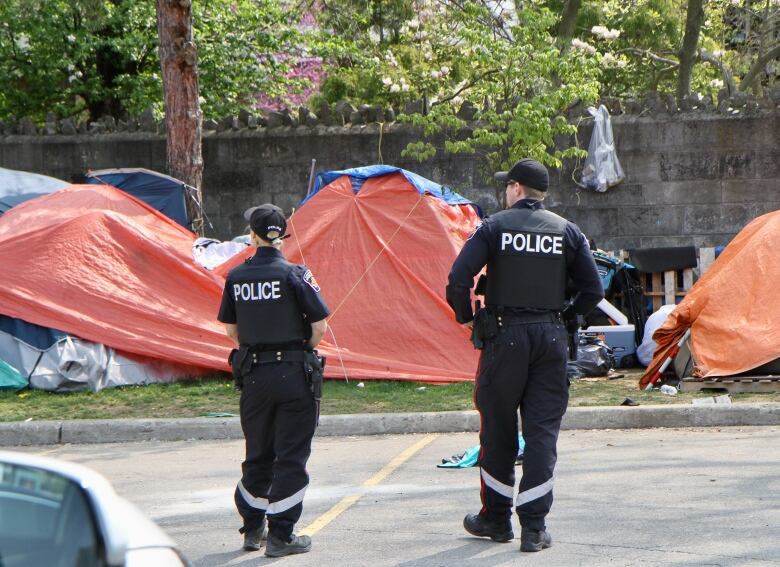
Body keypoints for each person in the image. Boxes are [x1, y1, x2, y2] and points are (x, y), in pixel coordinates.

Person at [446, 158, 603, 552]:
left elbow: (458, 278)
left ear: (516, 189)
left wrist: (467, 318)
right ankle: (534, 527)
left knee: (497, 431)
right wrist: (564, 317)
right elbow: (594, 290)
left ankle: (496, 520)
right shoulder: (567, 231)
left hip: (504, 338)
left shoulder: (494, 227)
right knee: (541, 433)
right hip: (550, 340)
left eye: (507, 185)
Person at [217, 203, 330, 558]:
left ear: (252, 235)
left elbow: (231, 328)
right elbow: (318, 327)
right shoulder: (296, 274)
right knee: (292, 456)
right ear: (282, 236)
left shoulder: (236, 277)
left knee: (258, 453)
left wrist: (257, 348)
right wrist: (299, 350)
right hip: (295, 374)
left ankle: (253, 528)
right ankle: (282, 534)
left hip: (254, 376)